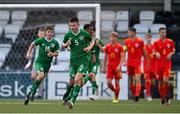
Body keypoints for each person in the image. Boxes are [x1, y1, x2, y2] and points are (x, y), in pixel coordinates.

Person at [62, 17, 94, 109]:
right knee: (75, 83)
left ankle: (72, 101)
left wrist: (89, 48)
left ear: (78, 25)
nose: (72, 27)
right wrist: (66, 44)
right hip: (73, 62)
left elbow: (92, 41)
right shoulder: (68, 34)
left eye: (74, 25)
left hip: (83, 60)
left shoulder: (84, 33)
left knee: (77, 80)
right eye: (71, 25)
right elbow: (63, 45)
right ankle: (88, 77)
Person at [24, 26, 60, 105]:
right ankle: (29, 94)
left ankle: (33, 93)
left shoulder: (55, 43)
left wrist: (52, 54)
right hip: (39, 62)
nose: (50, 33)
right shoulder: (41, 40)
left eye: (51, 32)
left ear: (53, 33)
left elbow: (57, 54)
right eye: (48, 32)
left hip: (47, 64)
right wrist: (28, 53)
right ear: (46, 33)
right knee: (39, 76)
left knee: (40, 78)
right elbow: (32, 44)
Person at [124, 27, 149, 102]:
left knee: (138, 79)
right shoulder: (126, 41)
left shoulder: (140, 41)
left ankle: (137, 96)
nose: (128, 33)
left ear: (134, 33)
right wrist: (124, 60)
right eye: (128, 32)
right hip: (129, 63)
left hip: (137, 63)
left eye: (129, 32)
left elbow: (144, 53)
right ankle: (134, 95)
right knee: (131, 80)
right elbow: (124, 51)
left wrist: (147, 62)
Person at [153, 27, 175, 105]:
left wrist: (170, 54)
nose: (164, 34)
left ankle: (167, 97)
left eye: (165, 32)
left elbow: (173, 50)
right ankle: (162, 98)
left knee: (166, 80)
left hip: (167, 64)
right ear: (159, 33)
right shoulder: (156, 42)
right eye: (162, 32)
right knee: (160, 82)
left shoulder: (170, 41)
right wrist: (156, 53)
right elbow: (153, 52)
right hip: (158, 65)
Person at [83, 24, 104, 100]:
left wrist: (98, 45)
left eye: (92, 31)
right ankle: (95, 86)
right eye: (90, 30)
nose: (91, 32)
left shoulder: (97, 40)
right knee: (90, 78)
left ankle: (92, 94)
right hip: (87, 62)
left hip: (95, 62)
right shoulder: (85, 40)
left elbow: (103, 50)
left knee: (92, 75)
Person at [24, 28, 45, 100]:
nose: (41, 35)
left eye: (43, 34)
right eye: (40, 33)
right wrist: (29, 61)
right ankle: (39, 90)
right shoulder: (36, 43)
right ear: (38, 34)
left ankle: (40, 94)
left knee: (40, 77)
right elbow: (32, 54)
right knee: (33, 77)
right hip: (36, 64)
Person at [103, 32, 124, 103]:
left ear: (116, 38)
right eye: (111, 37)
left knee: (117, 82)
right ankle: (115, 92)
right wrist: (103, 66)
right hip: (110, 67)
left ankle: (116, 98)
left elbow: (122, 57)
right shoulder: (107, 46)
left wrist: (119, 65)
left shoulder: (120, 47)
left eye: (114, 37)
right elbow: (105, 57)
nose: (112, 39)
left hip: (117, 67)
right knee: (108, 82)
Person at [143, 33, 156, 101]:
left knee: (153, 82)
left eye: (150, 37)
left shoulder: (154, 46)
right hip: (146, 66)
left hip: (153, 66)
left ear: (151, 38)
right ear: (145, 38)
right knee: (147, 81)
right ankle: (148, 95)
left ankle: (146, 91)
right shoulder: (144, 47)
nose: (148, 39)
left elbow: (156, 56)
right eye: (147, 37)